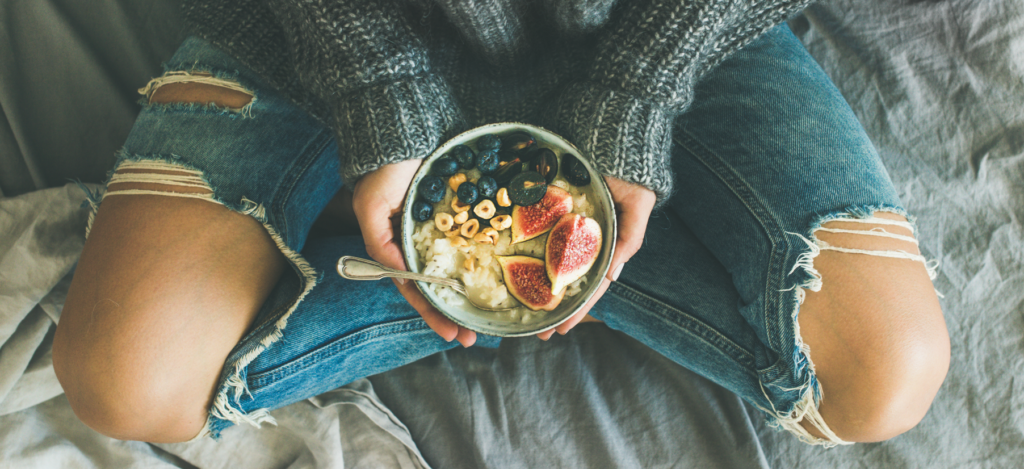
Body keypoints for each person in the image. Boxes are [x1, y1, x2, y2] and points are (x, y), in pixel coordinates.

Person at [51, 0, 950, 447]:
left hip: (669, 31)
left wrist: (641, 86)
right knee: (125, 380)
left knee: (884, 376)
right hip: (314, 31)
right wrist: (376, 89)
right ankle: (519, 266)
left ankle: (533, 263)